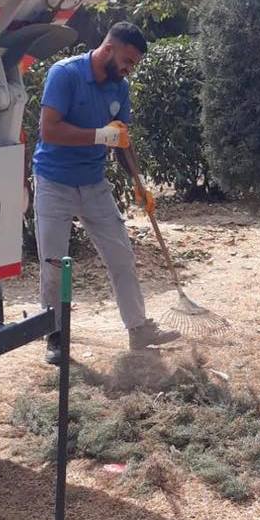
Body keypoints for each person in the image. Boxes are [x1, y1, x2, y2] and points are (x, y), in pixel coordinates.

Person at [34, 21, 180, 363]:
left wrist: (138, 183)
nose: (129, 69)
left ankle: (139, 329)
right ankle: (55, 338)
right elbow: (49, 130)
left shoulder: (120, 88)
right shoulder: (65, 74)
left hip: (94, 184)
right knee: (54, 264)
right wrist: (101, 135)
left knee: (122, 256)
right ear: (109, 48)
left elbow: (121, 141)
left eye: (135, 64)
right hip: (54, 182)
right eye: (128, 60)